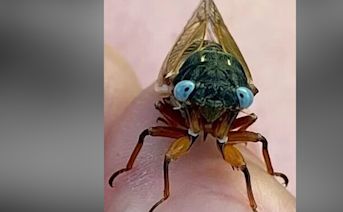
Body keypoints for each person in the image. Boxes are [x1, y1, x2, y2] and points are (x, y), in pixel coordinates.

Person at [104, 45, 296, 211]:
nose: (212, 109)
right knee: (157, 144)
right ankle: (165, 193)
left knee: (252, 154)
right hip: (191, 78)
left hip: (206, 96)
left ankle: (253, 203)